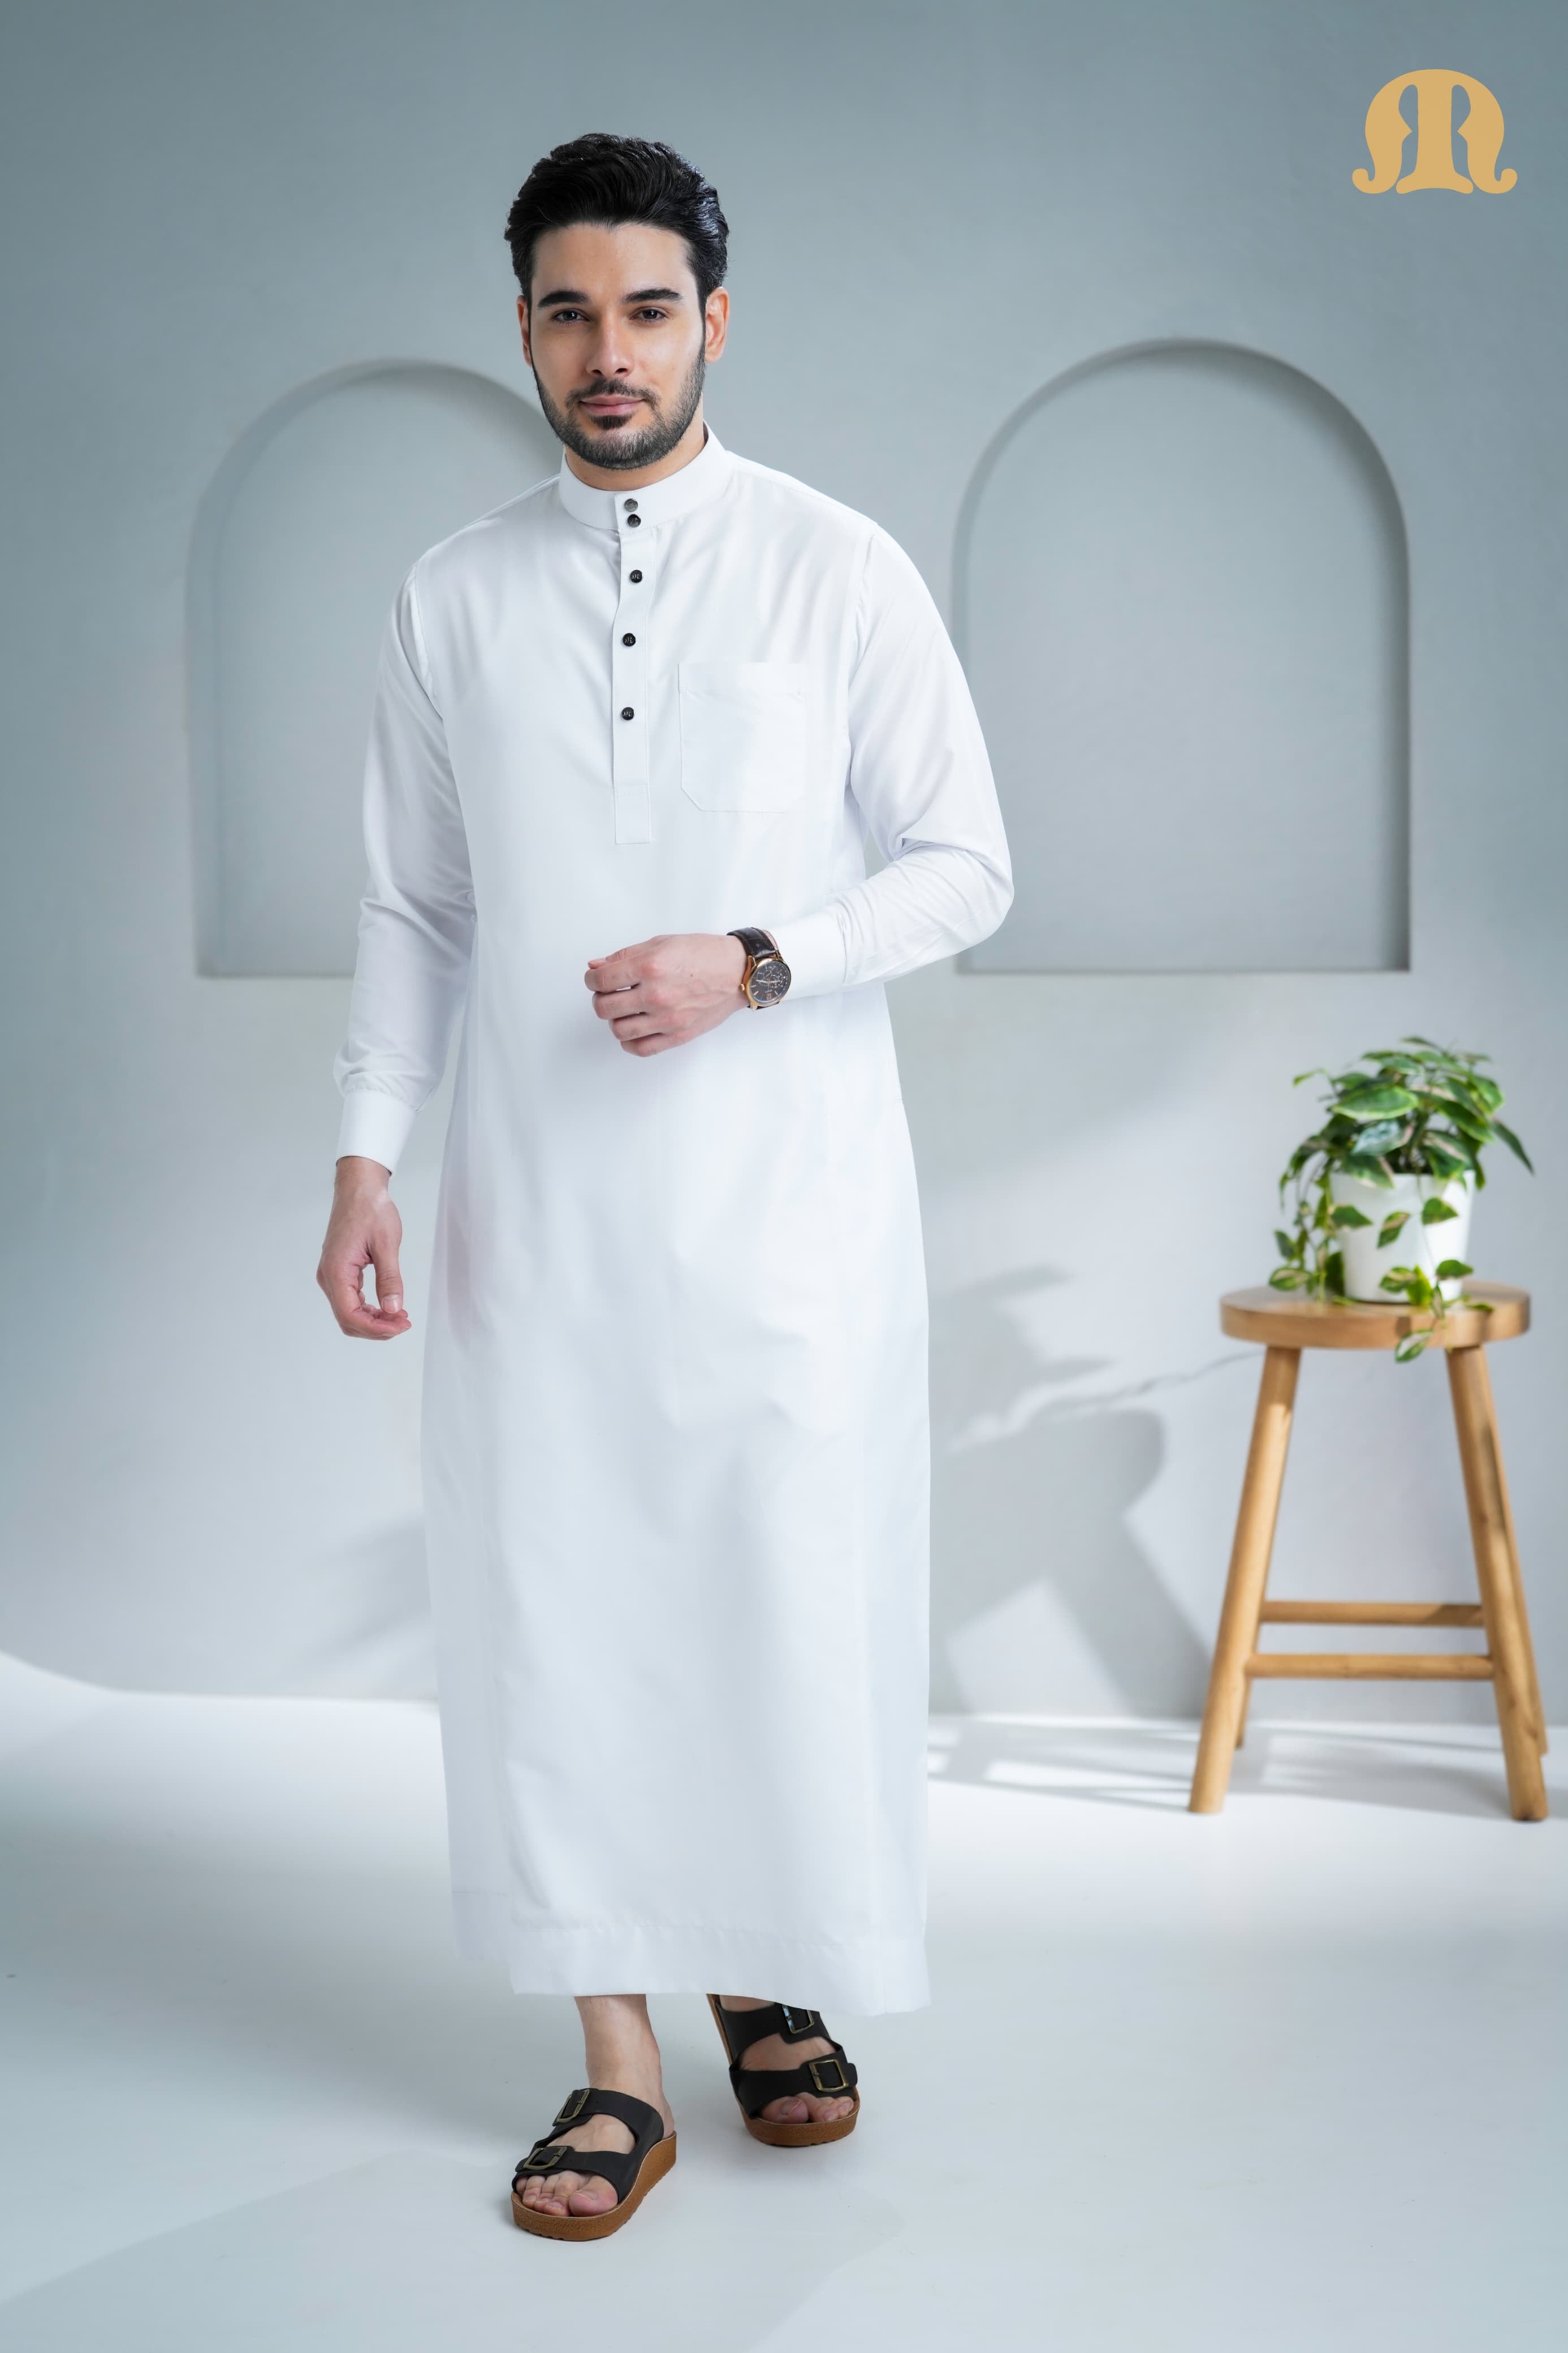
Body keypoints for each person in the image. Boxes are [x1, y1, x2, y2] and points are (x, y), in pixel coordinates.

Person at [317, 131, 1012, 2242]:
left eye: (643, 310)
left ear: (715, 319)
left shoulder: (834, 568)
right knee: (558, 1610)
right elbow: (415, 908)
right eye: (566, 313)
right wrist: (366, 1153)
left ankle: (761, 1965)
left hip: (789, 1212)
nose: (604, 351)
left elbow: (967, 866)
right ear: (523, 331)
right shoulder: (452, 594)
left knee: (773, 1594)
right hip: (538, 1210)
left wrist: (757, 960)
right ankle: (617, 2060)